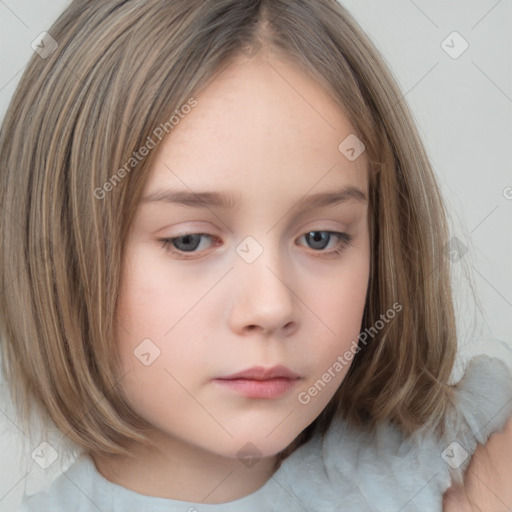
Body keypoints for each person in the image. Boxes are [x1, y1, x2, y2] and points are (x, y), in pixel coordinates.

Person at [0, 1, 510, 510]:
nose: (271, 307)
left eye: (321, 237)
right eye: (189, 241)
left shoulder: (467, 458)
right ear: (58, 258)